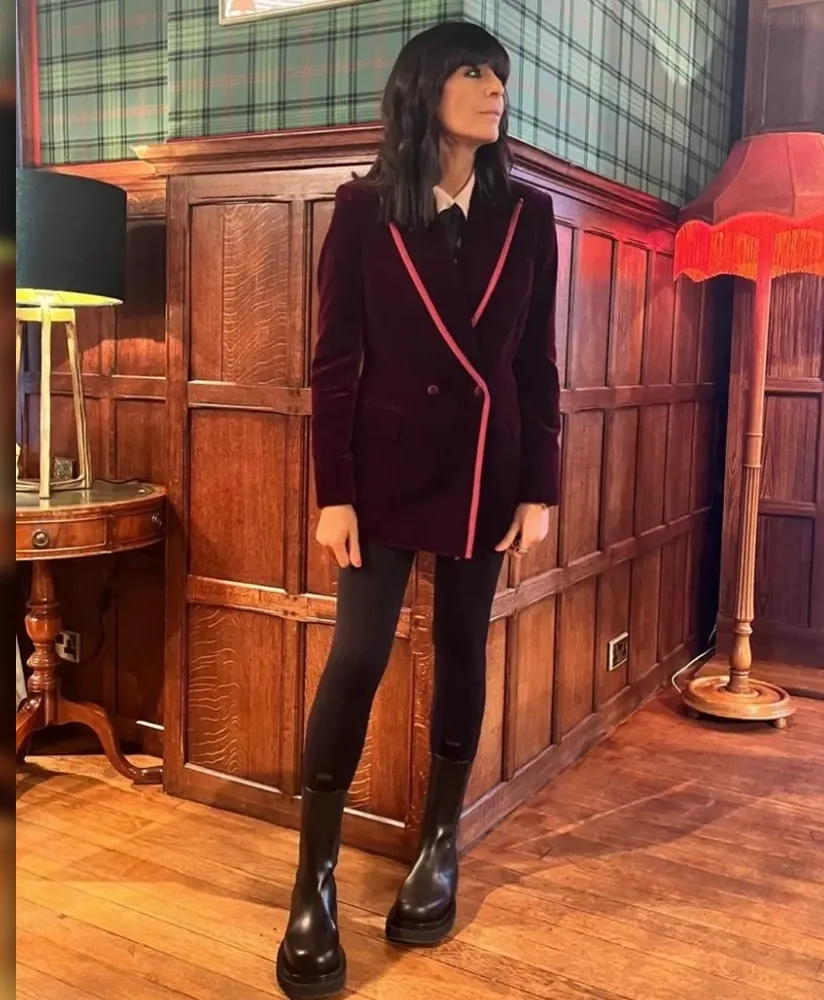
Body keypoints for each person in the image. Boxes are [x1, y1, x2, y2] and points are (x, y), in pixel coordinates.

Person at [275, 20, 562, 1000]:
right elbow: (333, 362)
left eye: (500, 75)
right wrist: (334, 492)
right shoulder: (362, 209)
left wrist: (540, 483)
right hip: (383, 472)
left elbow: (537, 361)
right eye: (474, 72)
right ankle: (312, 879)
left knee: (462, 646)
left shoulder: (527, 214)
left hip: (488, 466)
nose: (495, 88)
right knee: (356, 656)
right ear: (422, 89)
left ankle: (440, 840)